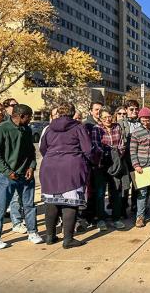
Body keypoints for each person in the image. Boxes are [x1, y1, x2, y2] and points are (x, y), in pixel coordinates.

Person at [0, 104, 42, 249]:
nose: (30, 120)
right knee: (0, 207)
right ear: (21, 116)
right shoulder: (0, 130)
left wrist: (31, 166)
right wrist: (7, 172)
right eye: (29, 117)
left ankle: (32, 232)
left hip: (25, 174)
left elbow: (31, 152)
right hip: (7, 176)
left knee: (29, 205)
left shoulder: (27, 130)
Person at [40, 103, 92, 248]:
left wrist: (52, 157)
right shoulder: (78, 127)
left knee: (52, 201)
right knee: (70, 202)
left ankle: (50, 236)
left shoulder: (49, 128)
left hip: (50, 166)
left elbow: (43, 148)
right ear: (73, 113)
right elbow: (87, 149)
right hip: (71, 166)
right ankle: (68, 239)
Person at [91, 107, 127, 231]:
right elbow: (95, 145)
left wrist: (117, 153)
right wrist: (107, 152)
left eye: (109, 116)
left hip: (116, 164)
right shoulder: (97, 129)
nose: (108, 119)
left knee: (116, 191)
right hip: (101, 164)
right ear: (100, 118)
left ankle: (116, 219)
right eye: (105, 117)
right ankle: (101, 219)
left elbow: (122, 144)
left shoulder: (117, 127)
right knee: (100, 193)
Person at [130, 107, 150, 227]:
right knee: (142, 193)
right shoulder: (136, 132)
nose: (145, 121)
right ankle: (140, 217)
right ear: (140, 119)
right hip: (142, 167)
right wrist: (136, 165)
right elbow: (132, 151)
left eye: (147, 119)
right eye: (143, 119)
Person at [118, 100, 141, 217]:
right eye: (131, 109)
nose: (134, 111)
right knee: (125, 185)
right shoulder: (121, 123)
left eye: (136, 109)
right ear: (126, 110)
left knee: (138, 184)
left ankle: (136, 207)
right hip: (125, 158)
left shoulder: (141, 122)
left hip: (138, 157)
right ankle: (122, 208)